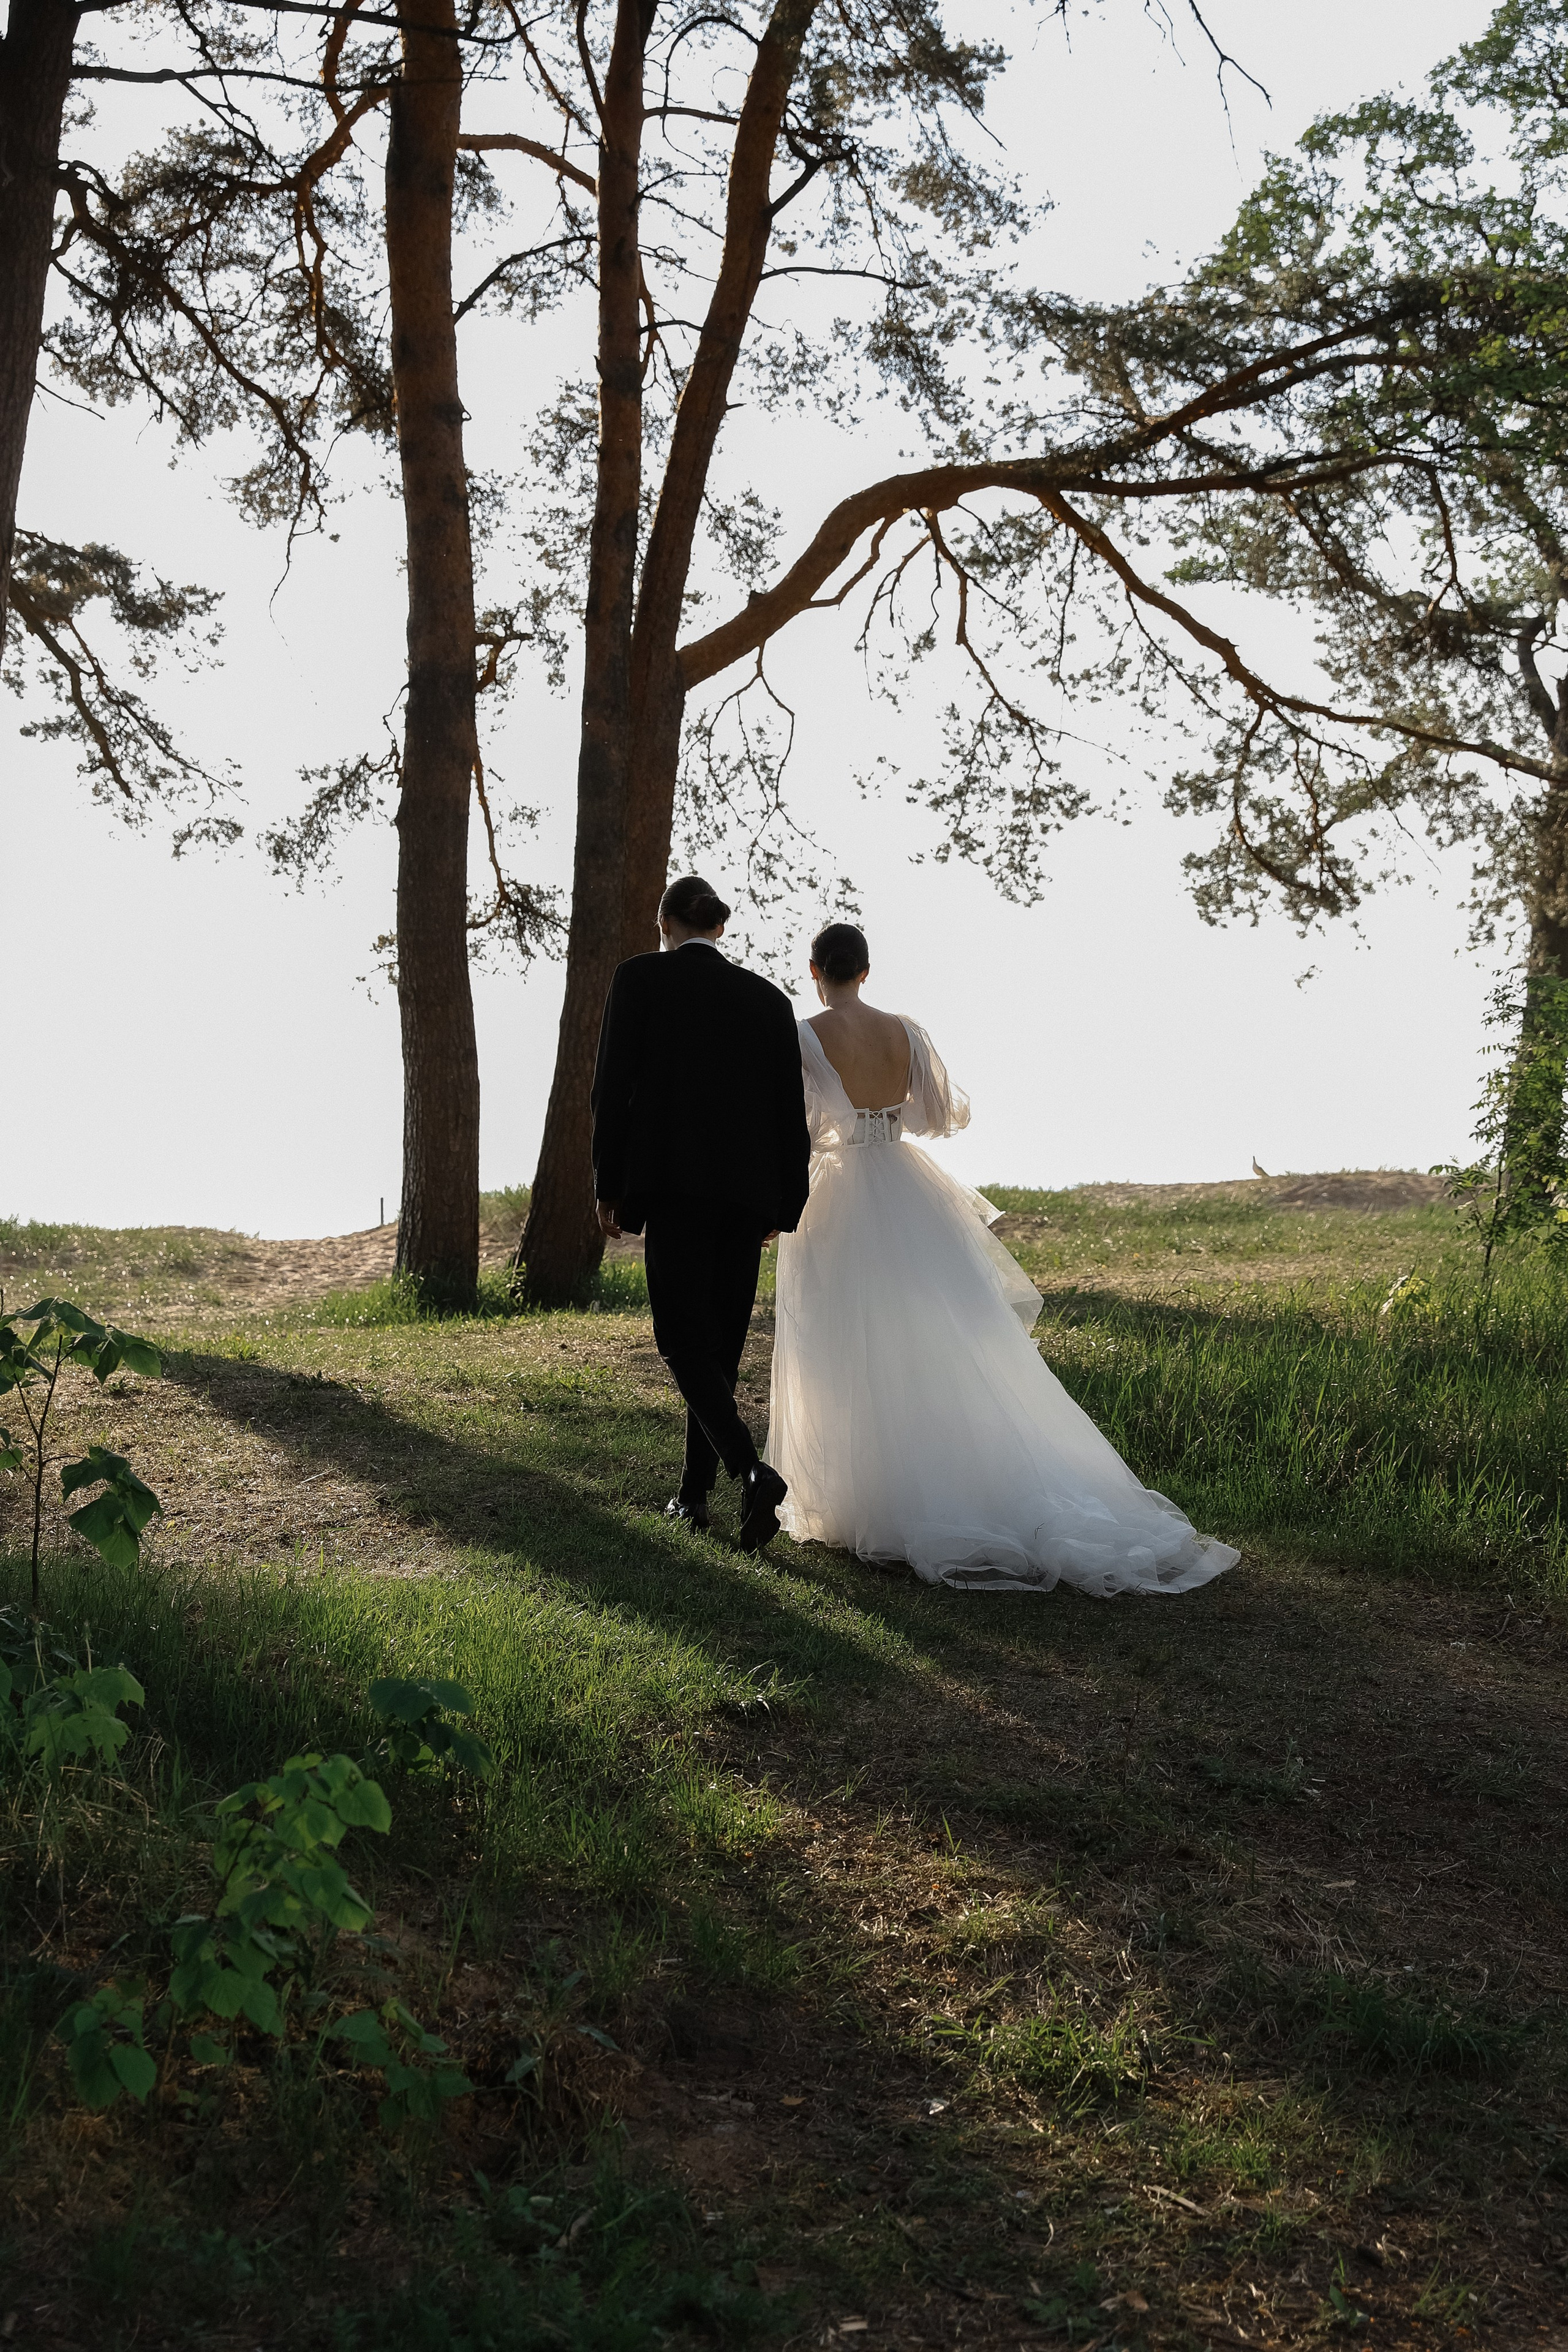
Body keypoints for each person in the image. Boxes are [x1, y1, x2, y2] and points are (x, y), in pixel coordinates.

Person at [765, 922, 1240, 1596]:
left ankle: (868, 1494)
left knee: (846, 1337)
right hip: (907, 1184)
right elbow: (935, 1116)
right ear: (865, 970)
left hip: (842, 1193)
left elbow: (794, 1126)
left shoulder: (804, 1034)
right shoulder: (904, 1029)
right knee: (942, 1341)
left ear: (814, 968)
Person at [592, 875, 810, 1550]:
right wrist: (786, 1201)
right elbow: (787, 1112)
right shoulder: (768, 1000)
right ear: (718, 928)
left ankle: (749, 1473)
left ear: (664, 924)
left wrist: (609, 1184)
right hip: (748, 1196)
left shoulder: (638, 980)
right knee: (718, 1347)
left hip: (675, 1187)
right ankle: (692, 1496)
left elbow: (611, 1086)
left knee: (682, 1341)